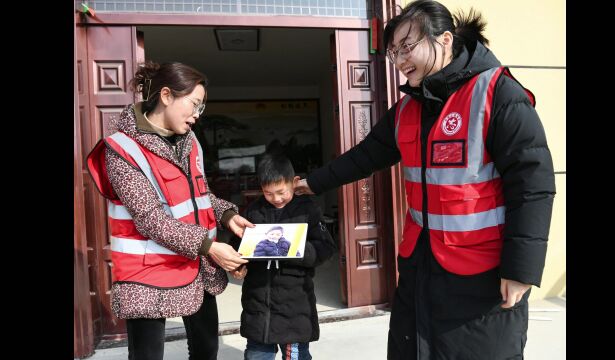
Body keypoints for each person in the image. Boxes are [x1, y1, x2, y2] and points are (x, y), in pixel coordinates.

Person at [294, 1, 556, 359]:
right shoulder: (407, 109)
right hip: (421, 266)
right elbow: (365, 156)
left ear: (445, 39)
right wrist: (312, 183)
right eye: (393, 52)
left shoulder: (497, 94)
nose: (400, 60)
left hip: (482, 273)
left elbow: (533, 184)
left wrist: (522, 268)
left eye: (408, 46)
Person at [86, 61, 254, 360]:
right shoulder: (122, 149)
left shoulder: (190, 143)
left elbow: (199, 196)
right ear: (166, 95)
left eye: (201, 108)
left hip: (195, 265)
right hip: (147, 273)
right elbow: (150, 218)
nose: (197, 116)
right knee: (147, 356)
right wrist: (210, 247)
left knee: (206, 351)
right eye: (194, 105)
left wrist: (227, 216)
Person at [233, 154, 337, 360]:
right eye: (268, 193)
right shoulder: (254, 211)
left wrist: (295, 247)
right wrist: (237, 265)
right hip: (257, 303)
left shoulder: (308, 210)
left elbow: (325, 248)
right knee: (256, 355)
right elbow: (239, 245)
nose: (276, 198)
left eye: (281, 192)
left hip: (295, 305)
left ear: (295, 182)